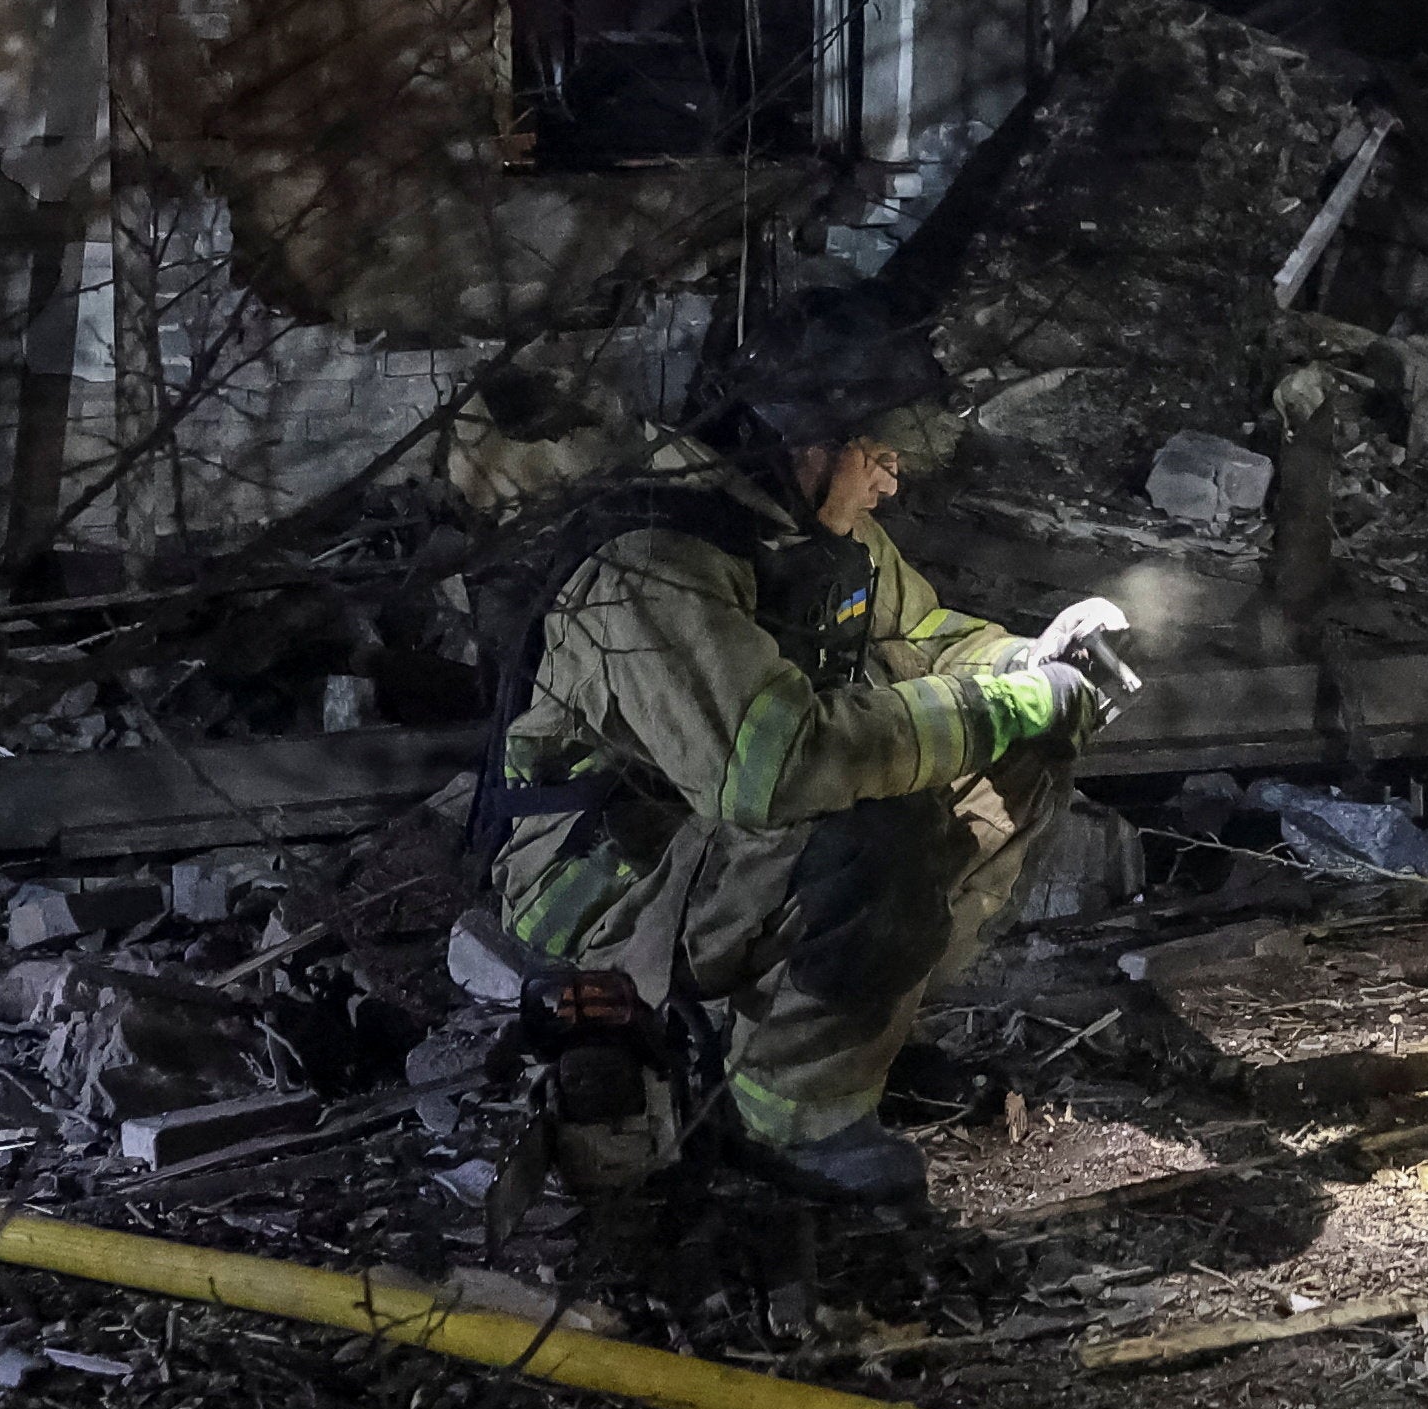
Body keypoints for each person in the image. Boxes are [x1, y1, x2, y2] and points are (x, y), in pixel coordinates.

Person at [475, 304, 1132, 1211]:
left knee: (1027, 751)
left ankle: (851, 1037)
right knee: (877, 827)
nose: (890, 488)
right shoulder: (653, 563)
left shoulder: (824, 536)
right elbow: (773, 769)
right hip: (606, 881)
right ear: (811, 444)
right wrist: (998, 706)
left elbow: (928, 638)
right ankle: (788, 1113)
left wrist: (1032, 663)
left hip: (716, 855)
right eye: (881, 459)